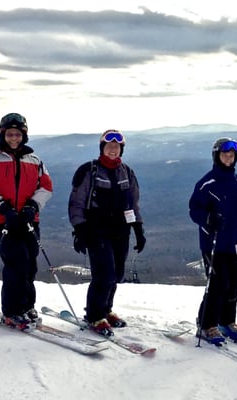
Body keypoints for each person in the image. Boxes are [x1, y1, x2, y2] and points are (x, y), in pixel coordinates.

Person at [0, 112, 53, 329]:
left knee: (30, 263)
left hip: (28, 219)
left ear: (24, 135)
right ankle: (11, 310)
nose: (14, 138)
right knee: (16, 262)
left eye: (17, 134)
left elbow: (45, 187)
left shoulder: (34, 160)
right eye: (10, 134)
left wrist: (32, 206)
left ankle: (27, 306)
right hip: (3, 220)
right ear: (3, 135)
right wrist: (3, 208)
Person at [189, 137, 237, 344]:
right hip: (212, 243)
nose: (229, 158)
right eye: (225, 154)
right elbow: (194, 209)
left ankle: (227, 321)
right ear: (217, 156)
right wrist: (209, 219)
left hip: (234, 243)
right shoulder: (207, 183)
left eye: (232, 155)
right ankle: (206, 325)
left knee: (233, 284)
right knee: (216, 284)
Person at [68, 129, 146, 337]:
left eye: (117, 146)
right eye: (109, 146)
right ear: (102, 148)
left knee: (117, 274)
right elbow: (76, 203)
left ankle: (106, 310)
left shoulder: (126, 172)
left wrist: (138, 229)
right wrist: (80, 230)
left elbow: (133, 204)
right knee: (104, 274)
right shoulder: (89, 171)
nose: (113, 150)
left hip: (121, 231)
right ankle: (94, 315)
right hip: (96, 230)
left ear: (121, 149)